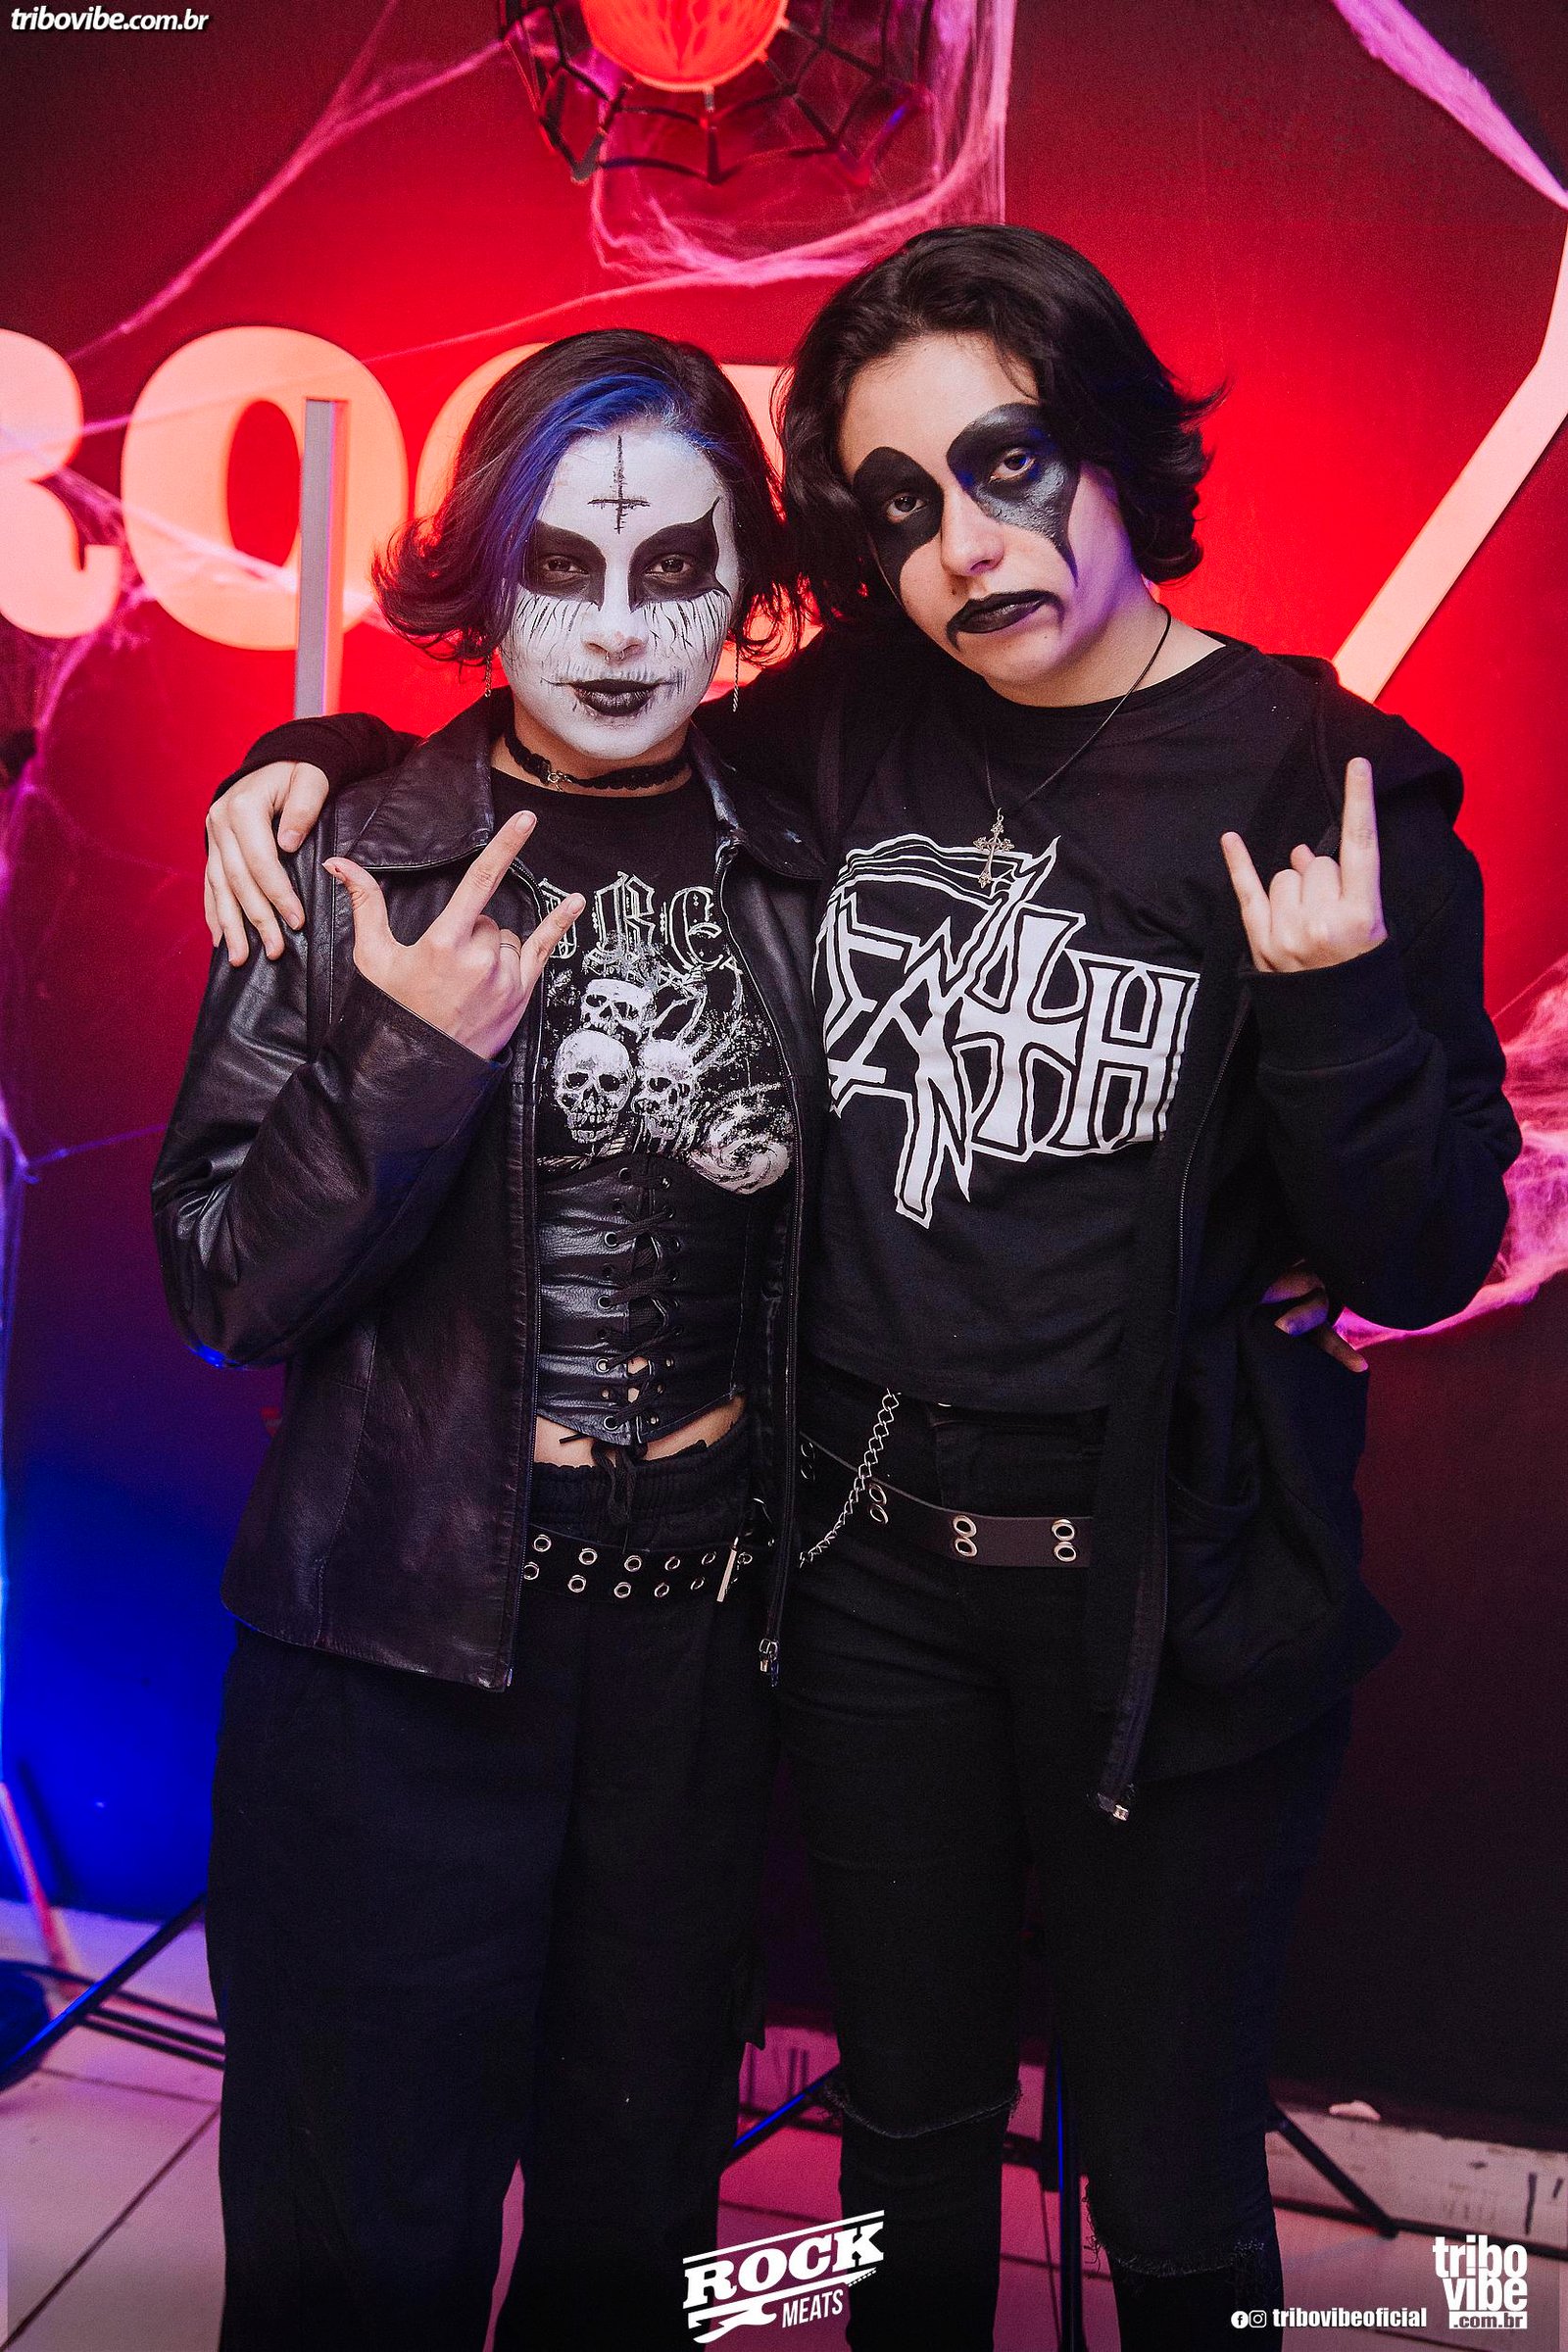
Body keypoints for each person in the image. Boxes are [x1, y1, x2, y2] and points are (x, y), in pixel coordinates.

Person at [201, 226, 1518, 2351]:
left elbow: (1422, 1241)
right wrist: (320, 764)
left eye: (1005, 464)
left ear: (1104, 437)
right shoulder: (826, 733)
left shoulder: (1284, 778)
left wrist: (1337, 1034)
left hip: (1063, 1602)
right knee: (847, 2151)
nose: (965, 542)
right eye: (898, 505)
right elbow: (557, 726)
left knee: (1130, 2181)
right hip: (778, 1594)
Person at [153, 327, 825, 2352]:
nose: (616, 628)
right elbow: (219, 1280)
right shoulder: (349, 850)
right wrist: (403, 1065)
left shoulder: (806, 851)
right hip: (395, 1662)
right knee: (358, 2250)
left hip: (694, 1667)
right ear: (484, 576)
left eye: (673, 569)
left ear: (747, 584)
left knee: (633, 2240)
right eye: (562, 567)